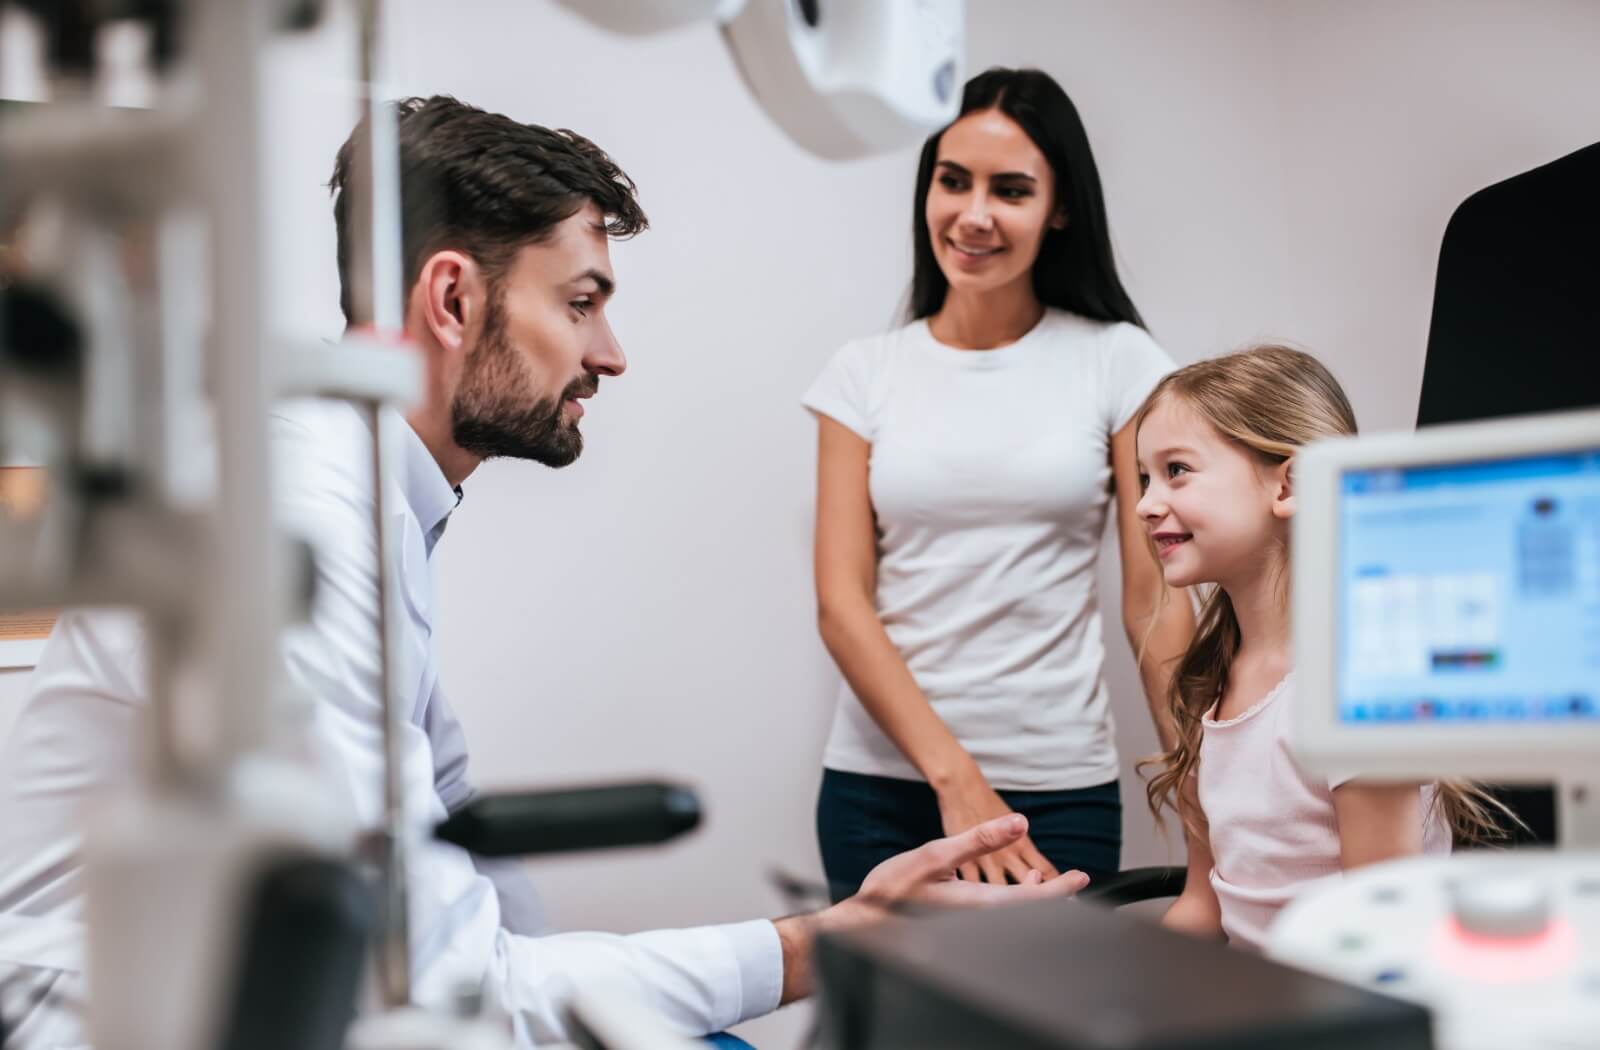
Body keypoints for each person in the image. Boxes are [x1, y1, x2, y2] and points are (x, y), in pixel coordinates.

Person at [0, 96, 1090, 1049]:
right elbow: (445, 987)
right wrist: (823, 944)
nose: (610, 352)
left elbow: (454, 811)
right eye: (579, 302)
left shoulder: (370, 492)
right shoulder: (312, 528)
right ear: (452, 299)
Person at [805, 67, 1195, 899]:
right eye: (953, 181)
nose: (973, 214)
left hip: (1057, 789)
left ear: (1058, 208)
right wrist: (957, 780)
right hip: (883, 790)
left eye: (1010, 189)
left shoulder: (1118, 360)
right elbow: (842, 604)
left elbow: (1153, 601)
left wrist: (1203, 795)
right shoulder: (862, 373)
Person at [1135, 345, 1508, 951]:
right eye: (1143, 477)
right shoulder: (1210, 682)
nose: (1145, 503)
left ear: (1291, 483)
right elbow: (1204, 907)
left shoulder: (1356, 689)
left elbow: (1383, 939)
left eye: (1176, 470)